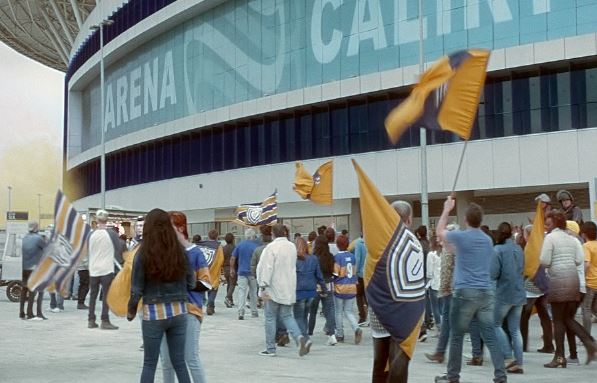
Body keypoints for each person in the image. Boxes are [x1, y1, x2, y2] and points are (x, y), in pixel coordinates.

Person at [435, 197, 506, 383]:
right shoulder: (487, 240)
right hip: (485, 291)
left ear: (466, 219)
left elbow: (439, 232)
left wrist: (446, 209)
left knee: (457, 336)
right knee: (489, 335)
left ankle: (452, 377)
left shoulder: (461, 236)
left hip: (464, 291)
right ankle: (500, 375)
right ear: (481, 220)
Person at [127, 208, 194, 383]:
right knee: (179, 362)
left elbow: (136, 288)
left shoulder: (142, 253)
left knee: (150, 363)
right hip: (179, 311)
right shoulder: (180, 251)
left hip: (154, 313)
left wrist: (131, 310)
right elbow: (192, 283)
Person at [370, 200, 422, 383]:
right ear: (409, 219)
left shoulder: (377, 240)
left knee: (379, 364)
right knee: (398, 366)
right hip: (402, 316)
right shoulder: (412, 242)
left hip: (379, 315)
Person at [540, 210, 597, 367]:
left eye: (548, 223)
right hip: (573, 281)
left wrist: (554, 263)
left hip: (558, 281)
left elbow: (544, 260)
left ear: (554, 224)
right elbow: (579, 260)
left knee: (558, 319)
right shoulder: (574, 240)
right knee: (567, 318)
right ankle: (589, 342)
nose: (547, 226)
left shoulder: (550, 238)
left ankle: (559, 358)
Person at [160, 211, 210, 383]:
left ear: (181, 227)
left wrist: (183, 282)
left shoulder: (196, 253)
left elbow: (206, 284)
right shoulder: (163, 253)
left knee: (191, 358)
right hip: (165, 312)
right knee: (166, 361)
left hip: (189, 311)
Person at [256, 223, 309, 357]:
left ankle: (270, 348)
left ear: (273, 234)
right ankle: (299, 338)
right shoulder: (291, 246)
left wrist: (263, 286)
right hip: (289, 287)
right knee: (287, 316)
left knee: (270, 317)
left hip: (273, 287)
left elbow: (267, 267)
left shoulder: (271, 247)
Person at [491, 222, 525, 374]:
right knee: (515, 330)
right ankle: (519, 362)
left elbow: (493, 273)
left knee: (495, 324)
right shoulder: (519, 248)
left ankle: (508, 356)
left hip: (504, 293)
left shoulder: (497, 250)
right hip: (519, 291)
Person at [425, 224, 458, 364]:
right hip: (450, 290)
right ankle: (440, 352)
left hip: (451, 291)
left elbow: (448, 271)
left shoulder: (451, 249)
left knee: (451, 324)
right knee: (447, 323)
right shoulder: (453, 249)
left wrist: (444, 289)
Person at [87, 210, 120, 330]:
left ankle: (91, 320)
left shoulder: (91, 235)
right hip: (106, 269)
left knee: (93, 295)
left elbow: (87, 249)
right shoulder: (111, 234)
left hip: (93, 269)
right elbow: (118, 248)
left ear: (96, 219)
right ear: (107, 220)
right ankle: (105, 320)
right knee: (106, 295)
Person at [294, 236, 327, 342]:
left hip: (298, 291)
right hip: (311, 291)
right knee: (304, 316)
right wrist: (324, 288)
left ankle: (305, 338)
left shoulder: (294, 260)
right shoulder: (313, 258)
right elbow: (319, 275)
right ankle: (305, 335)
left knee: (298, 317)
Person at [333, 234, 362, 344]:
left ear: (337, 245)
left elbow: (336, 273)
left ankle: (340, 334)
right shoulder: (352, 257)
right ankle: (356, 328)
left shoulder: (337, 258)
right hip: (352, 286)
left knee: (339, 312)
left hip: (340, 287)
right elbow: (354, 272)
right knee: (349, 311)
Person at [308, 235, 337, 346]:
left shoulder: (314, 257)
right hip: (329, 284)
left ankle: (309, 334)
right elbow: (333, 271)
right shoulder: (330, 257)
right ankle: (332, 335)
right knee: (329, 310)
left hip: (316, 285)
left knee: (313, 311)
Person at [230, 228, 261, 320]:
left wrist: (232, 269)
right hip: (253, 273)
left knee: (241, 292)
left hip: (241, 272)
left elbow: (233, 258)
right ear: (253, 236)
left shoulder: (240, 245)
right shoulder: (256, 245)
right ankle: (254, 311)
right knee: (253, 292)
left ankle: (241, 311)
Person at [19, 221, 47, 320]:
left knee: (24, 289)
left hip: (24, 267)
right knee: (32, 290)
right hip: (34, 268)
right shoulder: (39, 238)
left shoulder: (25, 238)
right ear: (36, 228)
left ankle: (21, 312)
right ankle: (30, 313)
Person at [198, 229, 224, 316]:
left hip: (202, 271)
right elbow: (220, 260)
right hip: (213, 271)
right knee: (213, 289)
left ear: (208, 236)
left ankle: (206, 306)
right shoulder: (218, 246)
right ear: (217, 236)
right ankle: (210, 304)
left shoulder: (200, 245)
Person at [582, 221, 597, 335]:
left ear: (584, 233)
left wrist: (581, 276)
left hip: (590, 282)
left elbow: (586, 264)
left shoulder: (586, 246)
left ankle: (586, 337)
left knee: (586, 309)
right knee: (594, 308)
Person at [353, 233, 368, 326]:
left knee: (359, 296)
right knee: (368, 297)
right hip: (370, 273)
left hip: (360, 274)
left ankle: (362, 317)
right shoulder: (371, 242)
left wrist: (355, 273)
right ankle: (372, 317)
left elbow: (357, 259)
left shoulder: (359, 243)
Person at [223, 233, 236, 308]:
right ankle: (228, 297)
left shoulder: (223, 248)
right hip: (232, 267)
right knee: (232, 284)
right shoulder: (235, 247)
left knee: (229, 283)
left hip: (225, 268)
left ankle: (230, 300)